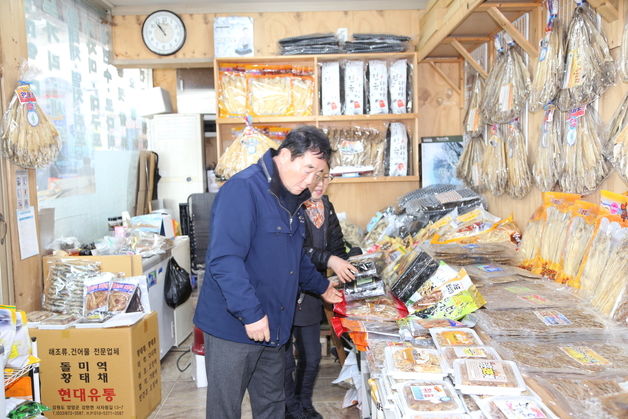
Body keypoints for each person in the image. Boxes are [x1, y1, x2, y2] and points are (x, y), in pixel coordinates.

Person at [193, 126, 344, 419]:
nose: (312, 180)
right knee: (225, 409)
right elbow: (225, 260)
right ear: (285, 156)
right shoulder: (243, 190)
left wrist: (322, 287)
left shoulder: (293, 199)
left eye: (320, 174)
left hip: (274, 324)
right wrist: (250, 313)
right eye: (308, 169)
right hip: (233, 326)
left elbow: (294, 257)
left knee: (272, 405)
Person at [284, 165, 360, 419]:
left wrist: (349, 263)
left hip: (314, 291)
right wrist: (329, 260)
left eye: (325, 178)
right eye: (315, 178)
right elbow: (296, 251)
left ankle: (304, 403)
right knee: (284, 360)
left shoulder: (326, 206)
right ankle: (290, 407)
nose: (320, 184)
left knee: (312, 357)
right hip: (286, 291)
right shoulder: (289, 207)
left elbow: (337, 245)